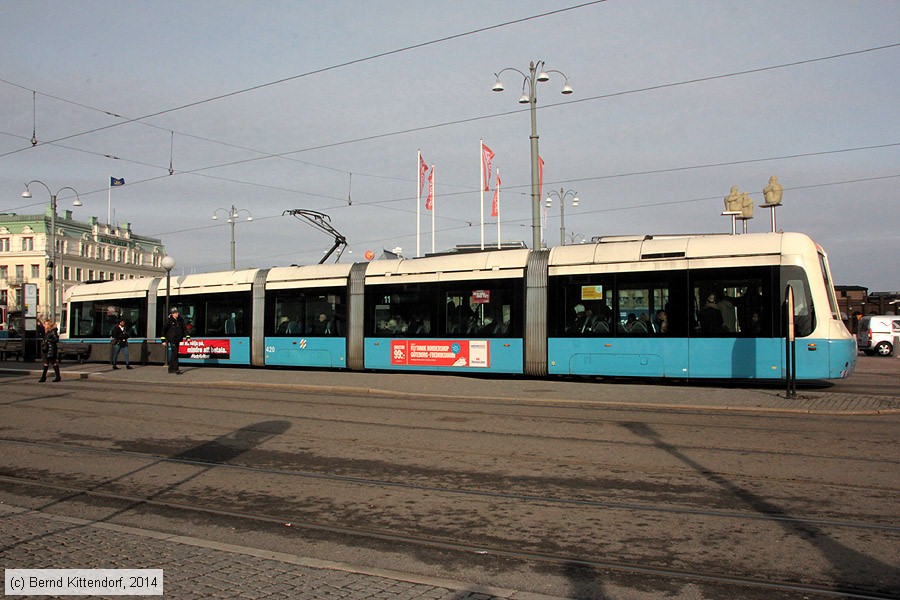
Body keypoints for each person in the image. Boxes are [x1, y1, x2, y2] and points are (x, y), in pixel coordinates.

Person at [162, 307, 186, 374]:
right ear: (172, 314)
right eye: (175, 313)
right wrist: (163, 340)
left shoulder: (180, 320)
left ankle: (170, 369)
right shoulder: (169, 320)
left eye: (177, 312)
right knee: (175, 353)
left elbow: (184, 328)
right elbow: (163, 330)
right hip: (172, 339)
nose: (177, 314)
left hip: (178, 339)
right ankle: (176, 369)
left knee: (174, 354)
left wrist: (187, 336)